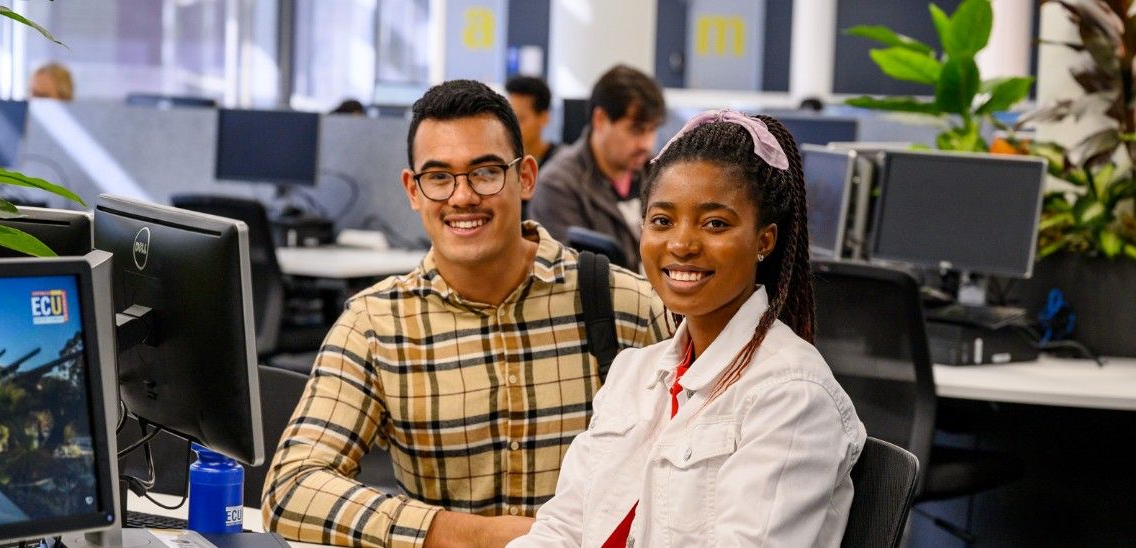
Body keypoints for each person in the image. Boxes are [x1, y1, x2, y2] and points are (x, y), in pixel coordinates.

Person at [261, 79, 673, 548]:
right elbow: (290, 489)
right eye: (438, 177)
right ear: (413, 190)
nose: (461, 197)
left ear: (526, 177)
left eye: (485, 172)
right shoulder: (377, 326)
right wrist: (467, 534)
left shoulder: (627, 307)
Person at [510, 110, 867, 546]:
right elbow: (562, 527)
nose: (681, 244)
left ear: (764, 240)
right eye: (662, 221)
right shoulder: (633, 374)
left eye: (715, 223)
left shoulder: (790, 397)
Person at [527, 65, 665, 271]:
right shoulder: (558, 186)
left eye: (652, 130)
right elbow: (570, 278)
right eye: (636, 130)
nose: (646, 143)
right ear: (600, 119)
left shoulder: (660, 173)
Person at [505, 76, 561, 167]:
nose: (512, 126)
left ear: (544, 118)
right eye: (509, 118)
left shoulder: (562, 164)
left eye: (520, 119)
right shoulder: (505, 162)